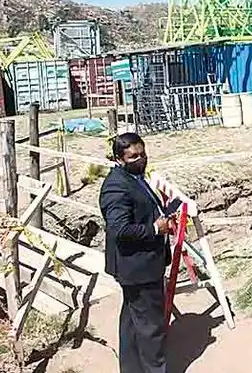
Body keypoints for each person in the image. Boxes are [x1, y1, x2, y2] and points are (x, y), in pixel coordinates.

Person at [100, 133, 181, 373]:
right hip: (138, 268)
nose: (140, 159)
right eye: (133, 156)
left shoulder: (133, 177)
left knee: (133, 323)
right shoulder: (116, 187)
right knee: (151, 328)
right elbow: (120, 229)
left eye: (142, 154)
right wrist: (157, 228)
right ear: (119, 159)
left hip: (138, 265)